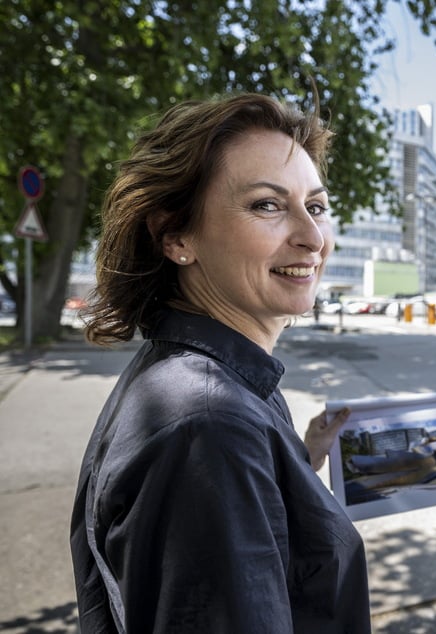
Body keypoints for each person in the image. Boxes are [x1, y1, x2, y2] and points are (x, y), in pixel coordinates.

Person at [70, 93, 370, 633]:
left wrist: (291, 461)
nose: (312, 238)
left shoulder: (207, 386)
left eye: (317, 206)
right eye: (267, 205)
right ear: (177, 236)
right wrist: (243, 453)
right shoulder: (207, 425)